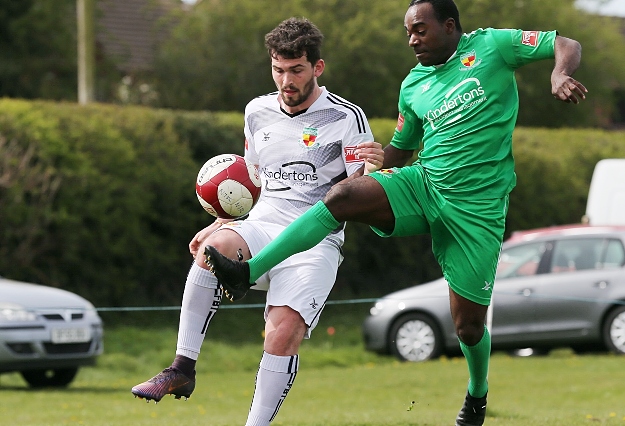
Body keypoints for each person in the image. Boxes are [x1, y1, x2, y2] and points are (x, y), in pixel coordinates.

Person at [204, 1, 587, 425]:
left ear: (449, 25)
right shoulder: (413, 85)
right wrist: (374, 157)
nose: (412, 39)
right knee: (341, 197)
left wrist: (560, 73)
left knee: (468, 328)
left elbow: (565, 43)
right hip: (423, 185)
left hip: (476, 211)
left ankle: (477, 396)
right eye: (409, 31)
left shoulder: (494, 46)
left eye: (420, 30)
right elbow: (399, 155)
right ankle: (247, 272)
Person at [131, 17, 383, 426]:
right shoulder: (257, 111)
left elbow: (358, 191)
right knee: (212, 252)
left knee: (281, 336)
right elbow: (252, 184)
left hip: (315, 242)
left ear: (317, 68)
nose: (287, 79)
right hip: (262, 225)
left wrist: (373, 169)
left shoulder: (346, 118)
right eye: (278, 69)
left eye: (297, 70)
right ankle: (182, 368)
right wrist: (217, 224)